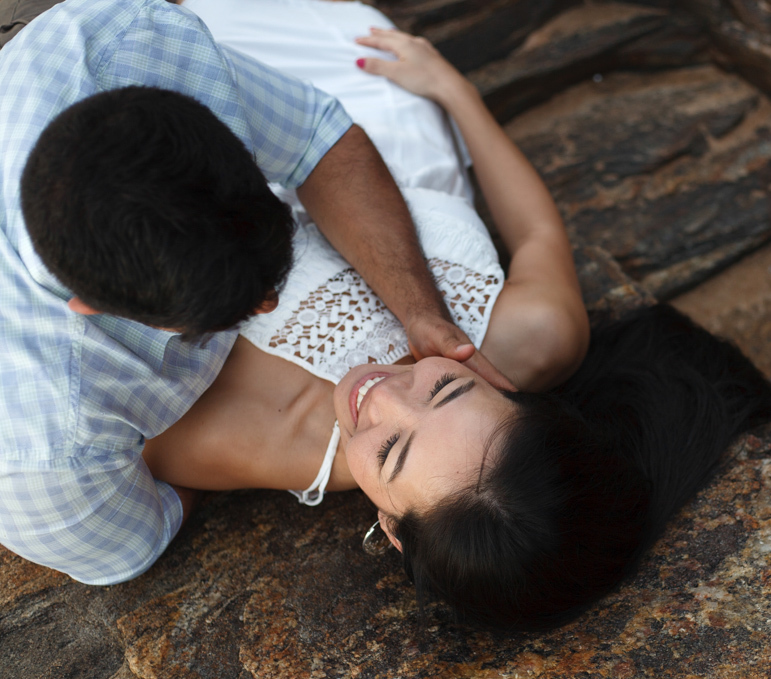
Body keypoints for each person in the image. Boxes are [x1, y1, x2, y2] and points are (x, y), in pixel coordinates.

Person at [147, 0, 771, 631]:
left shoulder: (269, 439)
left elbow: (113, 425)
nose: (386, 394)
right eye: (448, 388)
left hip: (203, 154)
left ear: (393, 530)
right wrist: (454, 91)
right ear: (513, 391)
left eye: (393, 450)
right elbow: (535, 233)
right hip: (371, 101)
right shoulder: (536, 337)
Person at [0, 0, 509, 585]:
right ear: (90, 308)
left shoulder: (133, 41)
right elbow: (141, 533)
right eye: (228, 312)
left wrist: (420, 310)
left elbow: (318, 142)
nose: (271, 303)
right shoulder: (43, 457)